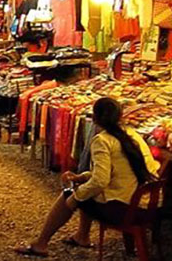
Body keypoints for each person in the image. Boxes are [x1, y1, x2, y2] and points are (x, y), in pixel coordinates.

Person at [16, 97, 160, 257]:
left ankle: (41, 243)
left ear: (95, 118)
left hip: (123, 208)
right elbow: (116, 172)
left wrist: (76, 197)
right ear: (121, 116)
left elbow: (100, 181)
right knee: (86, 188)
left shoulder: (103, 141)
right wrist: (82, 177)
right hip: (144, 204)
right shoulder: (133, 135)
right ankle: (82, 236)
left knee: (70, 195)